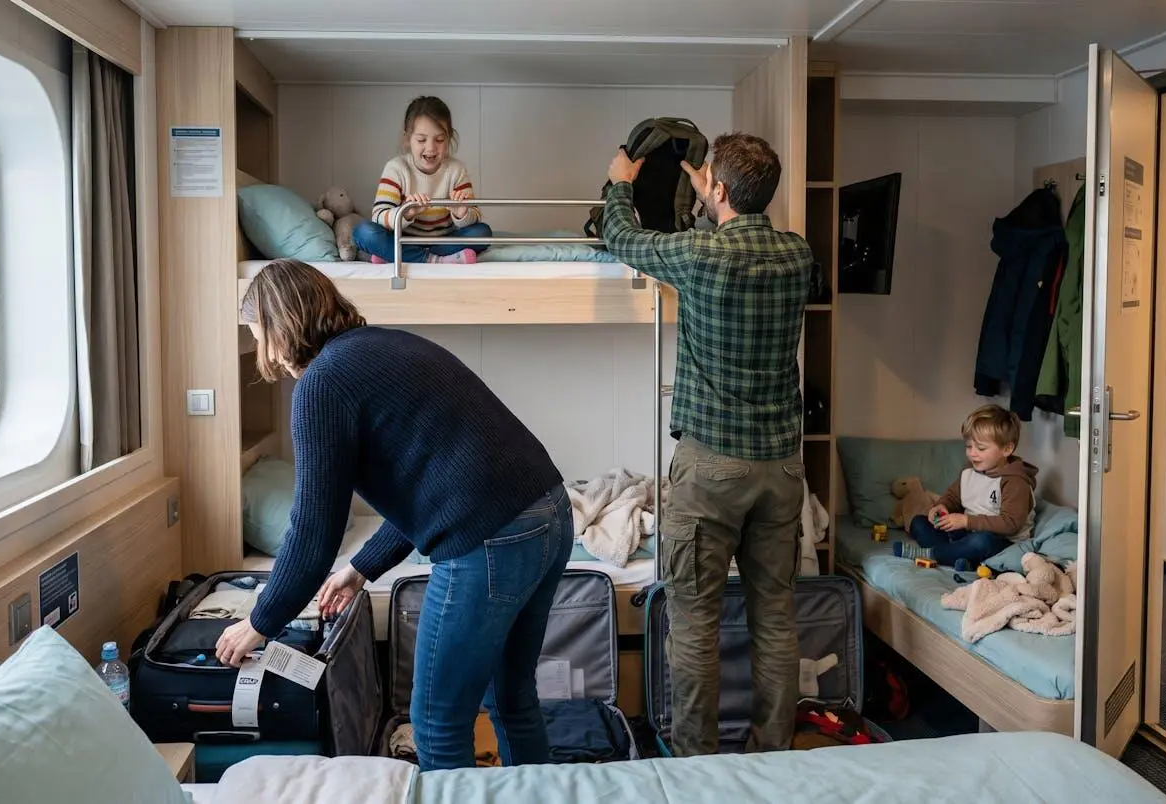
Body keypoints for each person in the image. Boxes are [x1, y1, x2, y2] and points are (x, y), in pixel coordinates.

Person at [215, 258, 570, 772]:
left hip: (491, 538)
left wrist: (260, 621)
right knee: (513, 700)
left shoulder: (322, 385)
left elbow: (313, 532)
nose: (264, 357)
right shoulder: (382, 345)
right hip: (549, 511)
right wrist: (361, 570)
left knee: (437, 723)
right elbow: (429, 484)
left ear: (279, 326)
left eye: (259, 338)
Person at [600, 133, 813, 756]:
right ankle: (772, 753)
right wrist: (716, 195)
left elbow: (624, 240)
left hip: (712, 467)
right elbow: (743, 227)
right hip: (781, 465)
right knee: (775, 614)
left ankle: (698, 764)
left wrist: (620, 182)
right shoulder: (799, 256)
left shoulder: (701, 254)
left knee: (696, 618)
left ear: (718, 189)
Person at [894, 404, 1039, 571]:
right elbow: (953, 497)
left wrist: (966, 521)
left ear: (1007, 449)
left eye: (981, 448)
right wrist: (942, 506)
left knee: (981, 541)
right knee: (919, 522)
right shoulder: (969, 471)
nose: (972, 453)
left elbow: (1010, 523)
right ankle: (961, 558)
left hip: (1002, 542)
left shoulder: (1015, 481)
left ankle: (934, 554)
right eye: (969, 446)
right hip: (967, 533)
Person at [353, 95, 491, 264]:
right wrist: (406, 212)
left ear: (449, 138)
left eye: (439, 140)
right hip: (403, 240)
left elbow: (474, 217)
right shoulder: (396, 168)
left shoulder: (456, 170)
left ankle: (395, 255)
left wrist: (461, 212)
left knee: (482, 232)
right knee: (363, 232)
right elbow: (379, 216)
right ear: (408, 139)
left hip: (442, 242)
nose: (431, 148)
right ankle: (434, 260)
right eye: (421, 140)